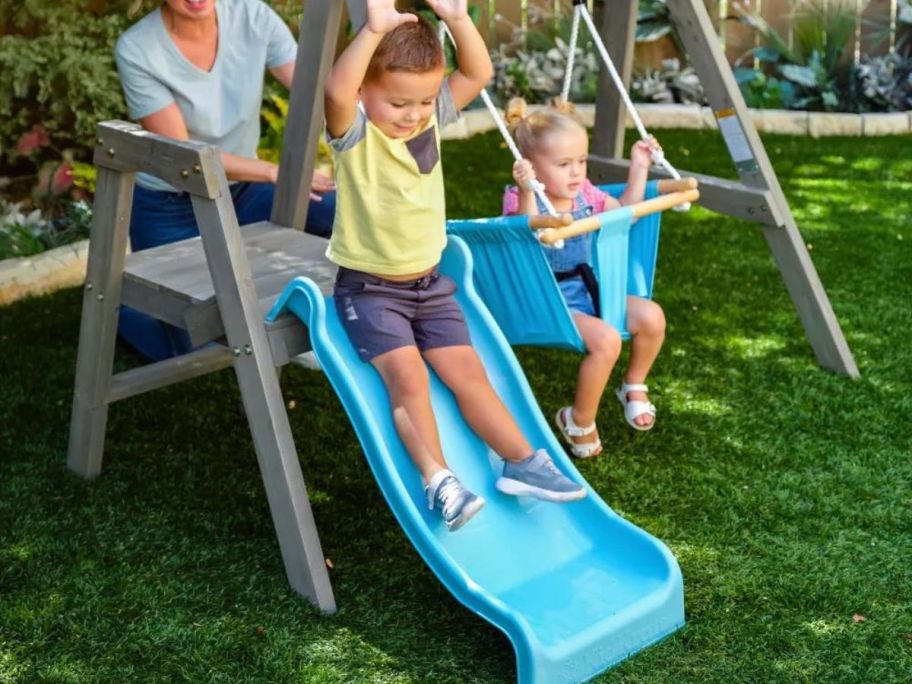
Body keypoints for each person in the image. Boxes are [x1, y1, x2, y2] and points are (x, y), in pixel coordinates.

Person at [324, 0, 586, 531]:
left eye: (423, 100)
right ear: (364, 94)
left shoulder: (430, 123)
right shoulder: (355, 135)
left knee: (470, 373)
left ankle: (521, 462)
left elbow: (477, 72)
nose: (414, 113)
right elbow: (334, 90)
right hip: (371, 291)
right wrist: (374, 30)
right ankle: (439, 479)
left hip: (430, 286)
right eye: (398, 101)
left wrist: (458, 17)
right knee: (408, 378)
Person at [114, 0, 336, 361]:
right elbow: (186, 159)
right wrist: (272, 171)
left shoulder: (254, 16)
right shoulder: (138, 49)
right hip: (171, 205)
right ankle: (128, 315)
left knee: (337, 211)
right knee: (195, 344)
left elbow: (319, 92)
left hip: (244, 192)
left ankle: (312, 311)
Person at [503, 98, 667, 457]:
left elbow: (627, 215)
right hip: (549, 300)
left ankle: (633, 384)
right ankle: (577, 420)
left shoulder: (587, 195)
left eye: (581, 161)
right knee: (608, 340)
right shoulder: (520, 198)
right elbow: (523, 234)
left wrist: (638, 167)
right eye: (564, 164)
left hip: (589, 291)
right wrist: (529, 190)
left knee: (652, 317)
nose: (577, 172)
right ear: (529, 168)